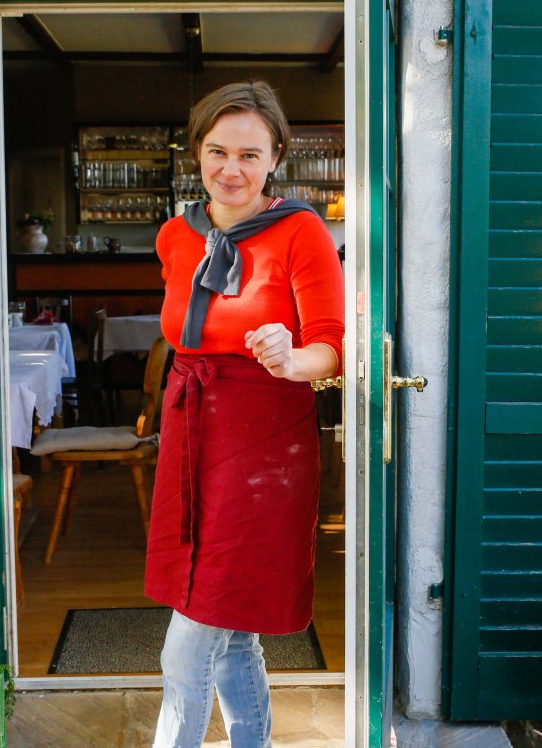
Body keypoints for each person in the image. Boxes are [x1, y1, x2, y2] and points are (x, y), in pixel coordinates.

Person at [144, 80, 344, 748]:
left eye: (250, 155)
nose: (231, 169)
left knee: (190, 640)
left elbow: (332, 347)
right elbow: (184, 335)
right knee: (229, 629)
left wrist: (292, 357)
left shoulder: (301, 231)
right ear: (197, 152)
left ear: (276, 157)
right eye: (218, 151)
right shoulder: (176, 236)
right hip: (191, 428)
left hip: (264, 443)